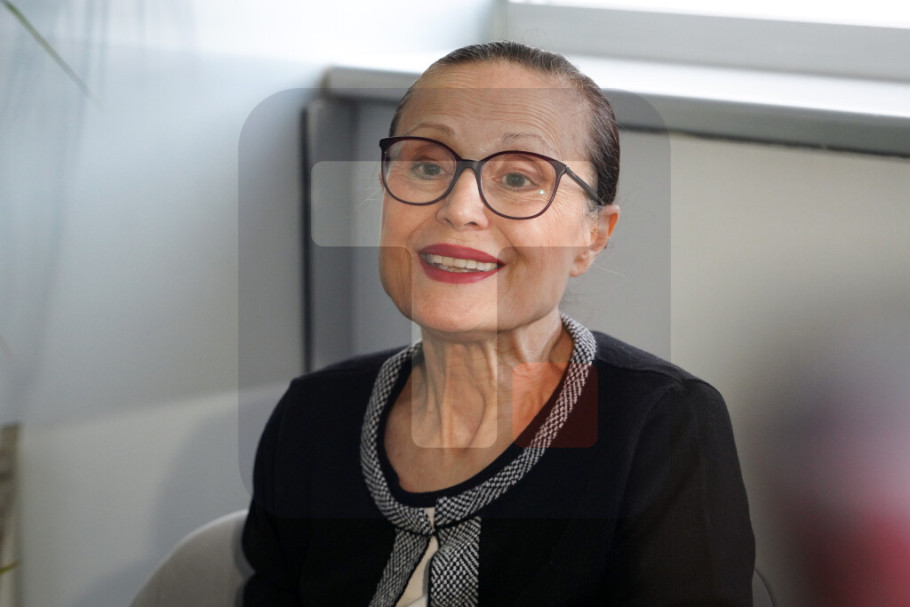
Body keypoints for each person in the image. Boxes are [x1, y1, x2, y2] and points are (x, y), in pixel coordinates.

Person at [242, 41, 754, 606]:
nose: (459, 208)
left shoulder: (660, 428)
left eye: (517, 179)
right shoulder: (313, 416)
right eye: (428, 166)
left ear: (593, 236)